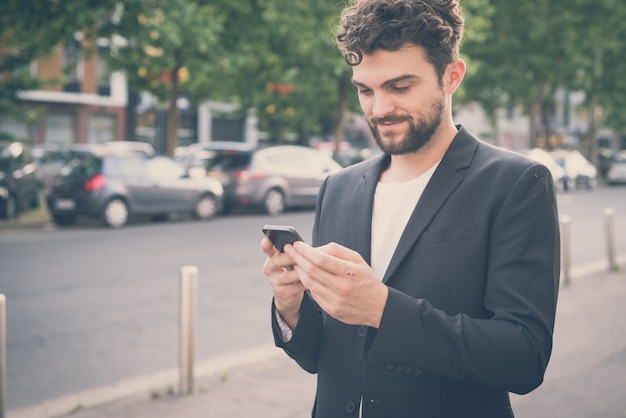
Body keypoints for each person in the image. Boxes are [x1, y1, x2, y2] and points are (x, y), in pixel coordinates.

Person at [261, 0, 560, 416]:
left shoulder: (515, 183)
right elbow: (321, 357)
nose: (379, 109)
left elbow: (523, 357)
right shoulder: (338, 188)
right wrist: (289, 304)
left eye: (400, 87)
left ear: (451, 77)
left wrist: (382, 310)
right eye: (366, 90)